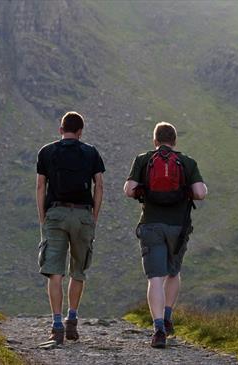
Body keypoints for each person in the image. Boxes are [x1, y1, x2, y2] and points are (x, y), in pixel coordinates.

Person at [124, 122, 207, 348]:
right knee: (173, 272)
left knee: (155, 278)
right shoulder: (187, 162)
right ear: (175, 141)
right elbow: (200, 193)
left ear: (155, 141)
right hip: (178, 228)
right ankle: (168, 316)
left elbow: (129, 189)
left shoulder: (144, 160)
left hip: (151, 224)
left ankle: (158, 328)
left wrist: (145, 189)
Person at [36, 111, 105, 345]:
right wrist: (93, 216)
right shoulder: (91, 152)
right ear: (80, 132)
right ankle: (72, 320)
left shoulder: (46, 152)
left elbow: (40, 186)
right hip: (83, 214)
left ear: (60, 129)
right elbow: (100, 185)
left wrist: (42, 217)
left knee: (54, 272)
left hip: (55, 213)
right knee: (78, 270)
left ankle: (56, 325)